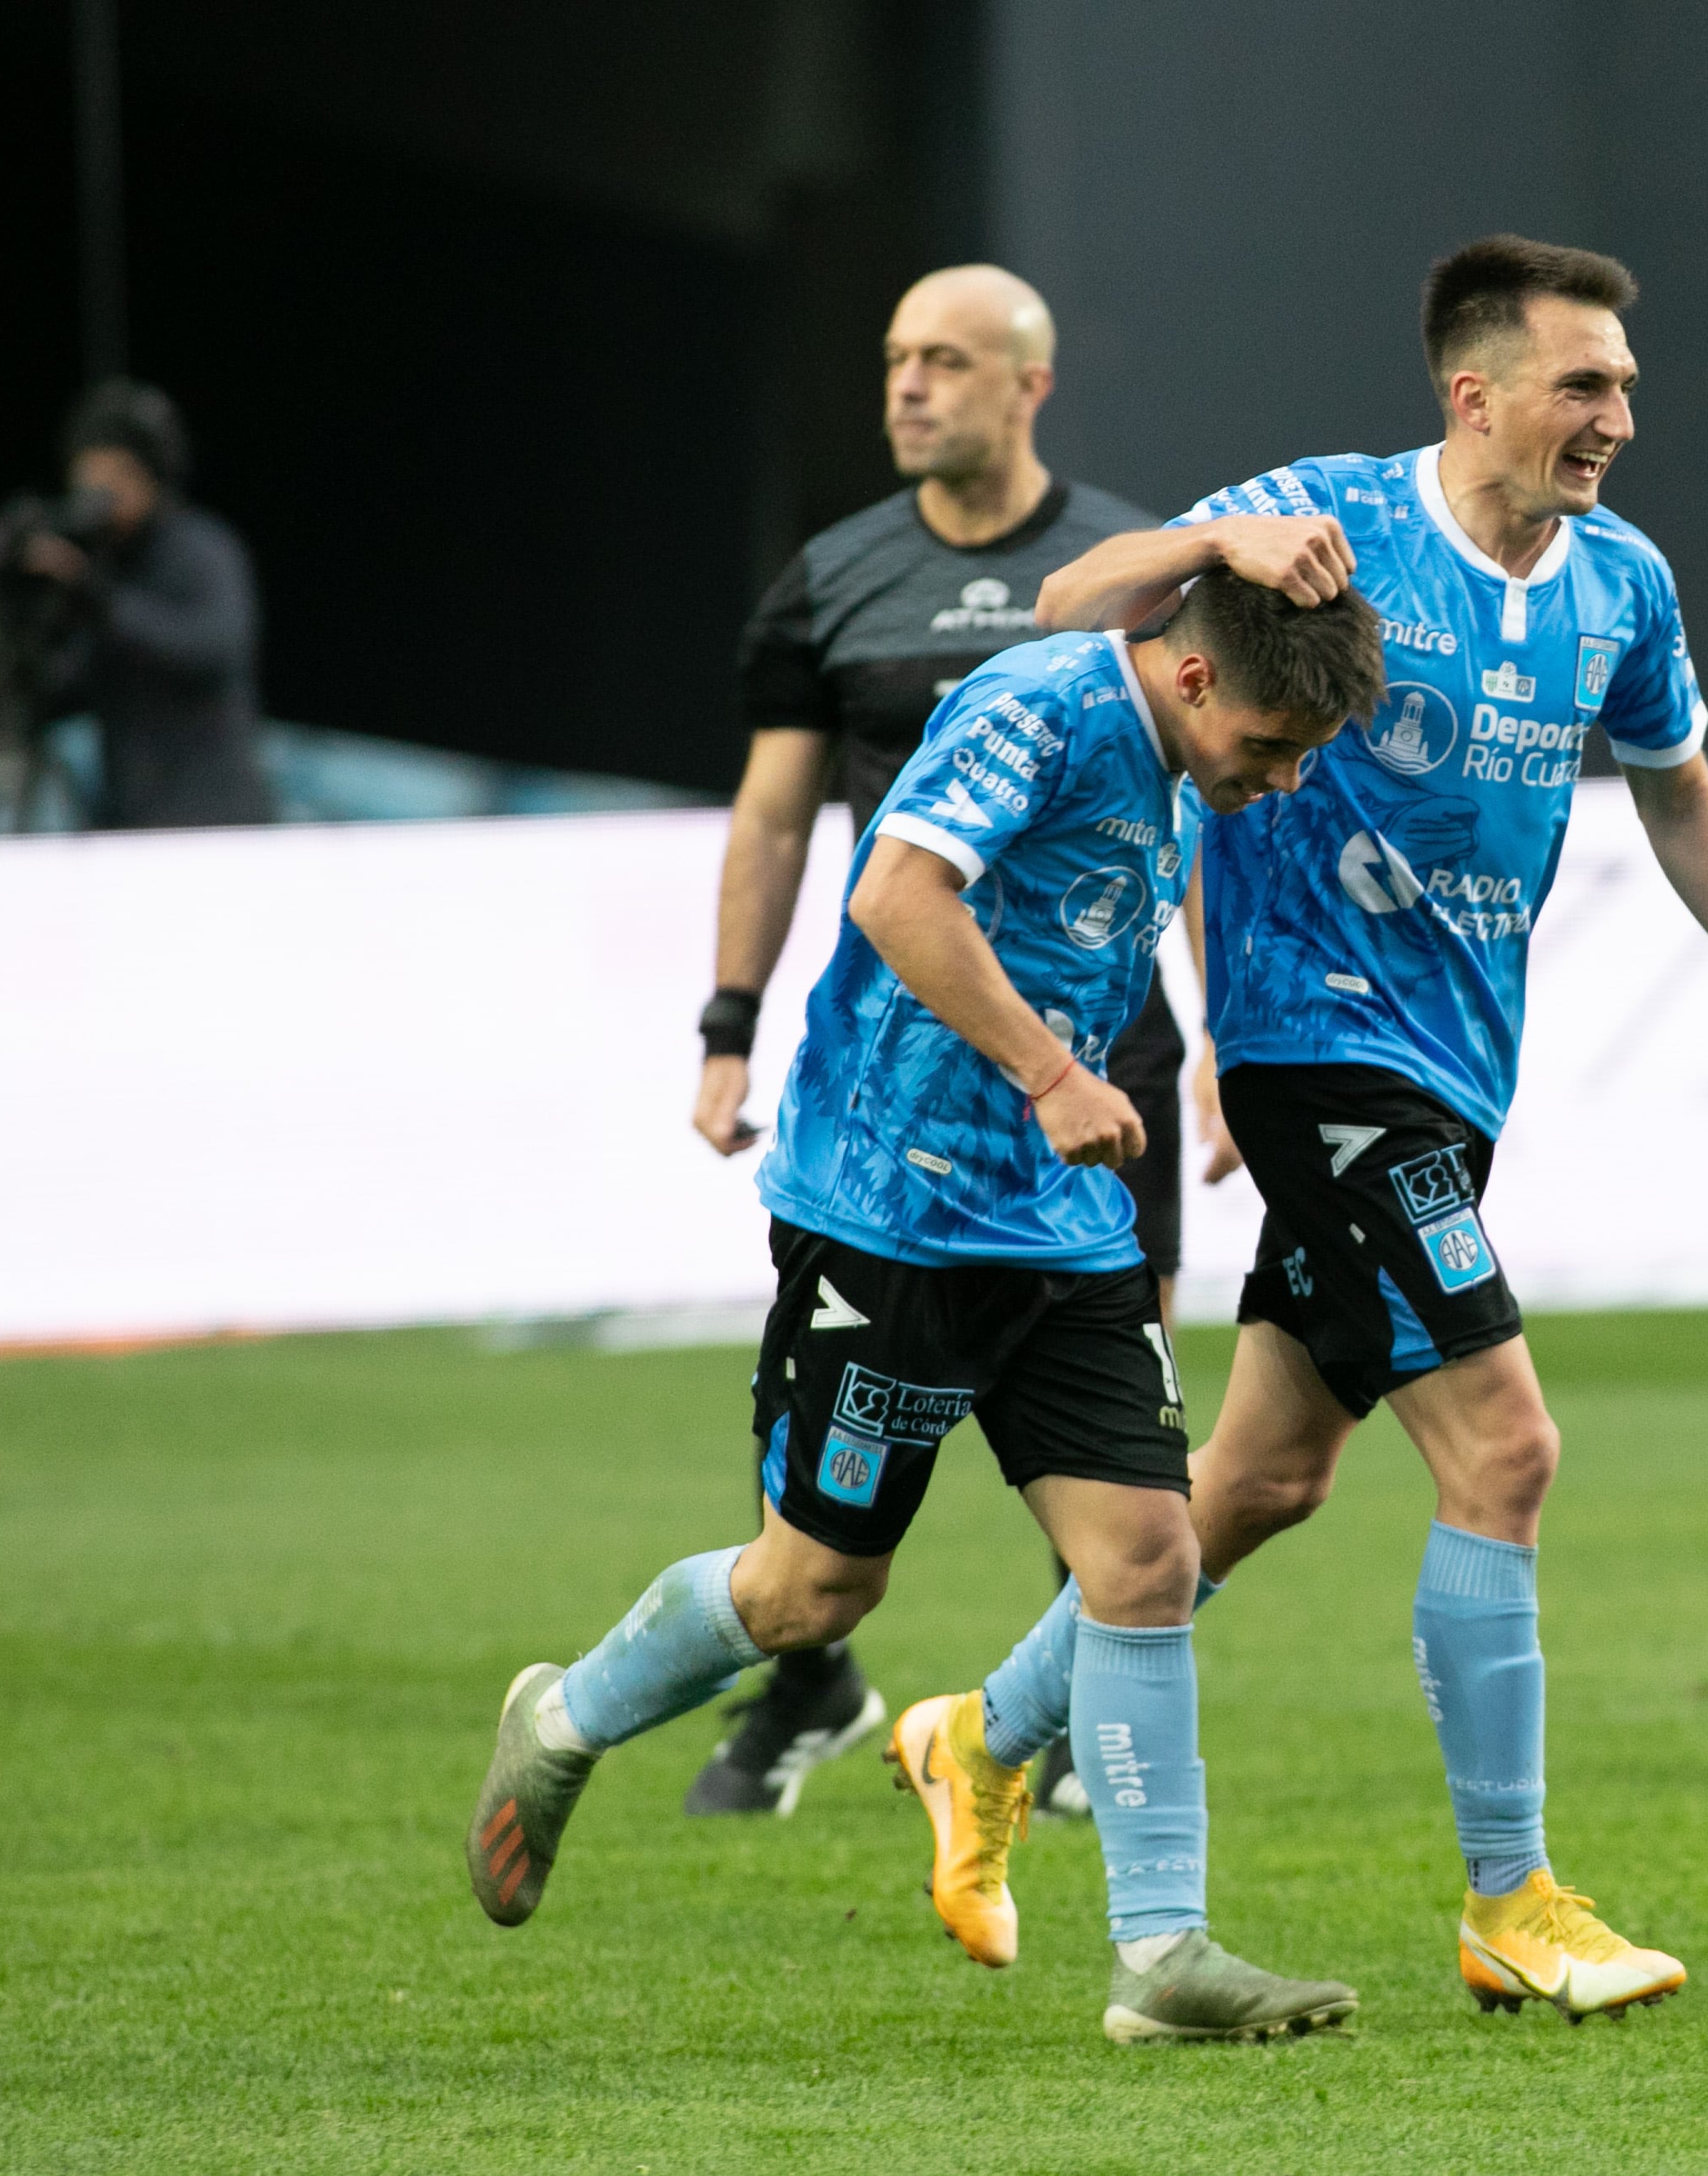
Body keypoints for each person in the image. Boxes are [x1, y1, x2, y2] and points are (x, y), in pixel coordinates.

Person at [936, 235, 1708, 2023]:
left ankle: (982, 1731)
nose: (1614, 419)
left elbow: (1671, 784)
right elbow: (1069, 603)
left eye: (1623, 387)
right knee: (1501, 1448)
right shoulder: (1324, 520)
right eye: (1583, 386)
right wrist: (1209, 546)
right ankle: (1510, 1899)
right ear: (1473, 393)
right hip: (1314, 1053)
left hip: (1450, 1074)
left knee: (1262, 1482)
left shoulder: (1621, 588)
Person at [468, 571, 1382, 2043]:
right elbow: (896, 893)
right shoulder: (1039, 707)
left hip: (1059, 1228)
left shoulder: (1179, 756)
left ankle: (1162, 1956)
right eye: (1274, 747)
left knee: (1146, 1557)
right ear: (1201, 681)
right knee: (811, 1591)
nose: (1280, 784)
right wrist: (1051, 1071)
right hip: (888, 1209)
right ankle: (563, 1719)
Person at [683, 265, 1172, 1823]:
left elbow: (1212, 799)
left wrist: (1222, 1044)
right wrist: (726, 1029)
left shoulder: (1122, 572)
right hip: (899, 1074)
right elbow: (772, 819)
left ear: (1030, 385)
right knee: (837, 1428)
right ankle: (812, 1679)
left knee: (1115, 1382)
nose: (908, 388)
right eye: (896, 358)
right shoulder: (831, 580)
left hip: (1108, 1041)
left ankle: (1078, 1724)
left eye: (947, 362)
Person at [20, 381, 276, 828]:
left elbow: (215, 647)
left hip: (213, 819)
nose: (103, 494)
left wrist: (98, 599)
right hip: (130, 818)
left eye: (119, 477)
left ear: (152, 477)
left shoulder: (201, 549)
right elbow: (71, 684)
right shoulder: (101, 566)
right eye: (91, 477)